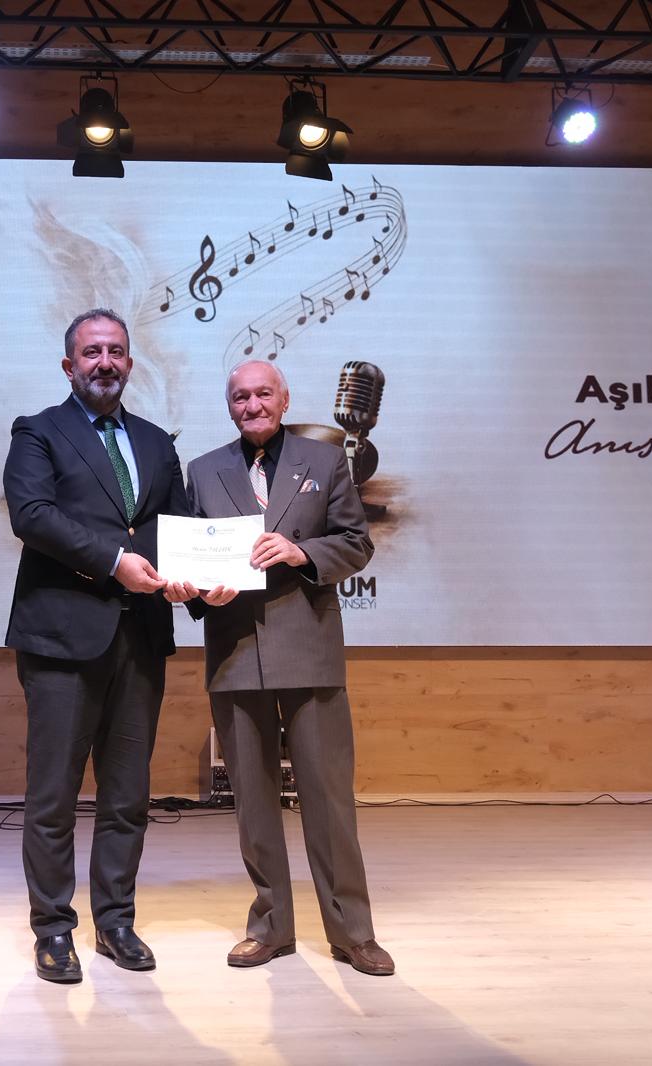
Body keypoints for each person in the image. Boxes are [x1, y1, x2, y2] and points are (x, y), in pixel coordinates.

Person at [165, 359, 394, 976]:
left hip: (309, 650)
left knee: (329, 800)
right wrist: (191, 590)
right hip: (234, 649)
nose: (252, 405)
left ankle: (353, 932)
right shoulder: (203, 470)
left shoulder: (326, 461)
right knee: (254, 803)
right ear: (229, 406)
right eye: (240, 397)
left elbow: (356, 543)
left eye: (263, 394)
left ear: (284, 399)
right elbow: (193, 558)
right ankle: (271, 926)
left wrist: (299, 550)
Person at [3, 308, 187, 984]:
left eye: (115, 351)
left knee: (128, 797)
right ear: (69, 365)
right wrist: (114, 563)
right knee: (53, 796)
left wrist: (196, 579)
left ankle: (115, 922)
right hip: (62, 639)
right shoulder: (38, 432)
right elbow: (33, 516)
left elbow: (177, 528)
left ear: (130, 363)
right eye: (91, 352)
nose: (104, 362)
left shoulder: (157, 442)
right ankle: (54, 928)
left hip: (141, 637)